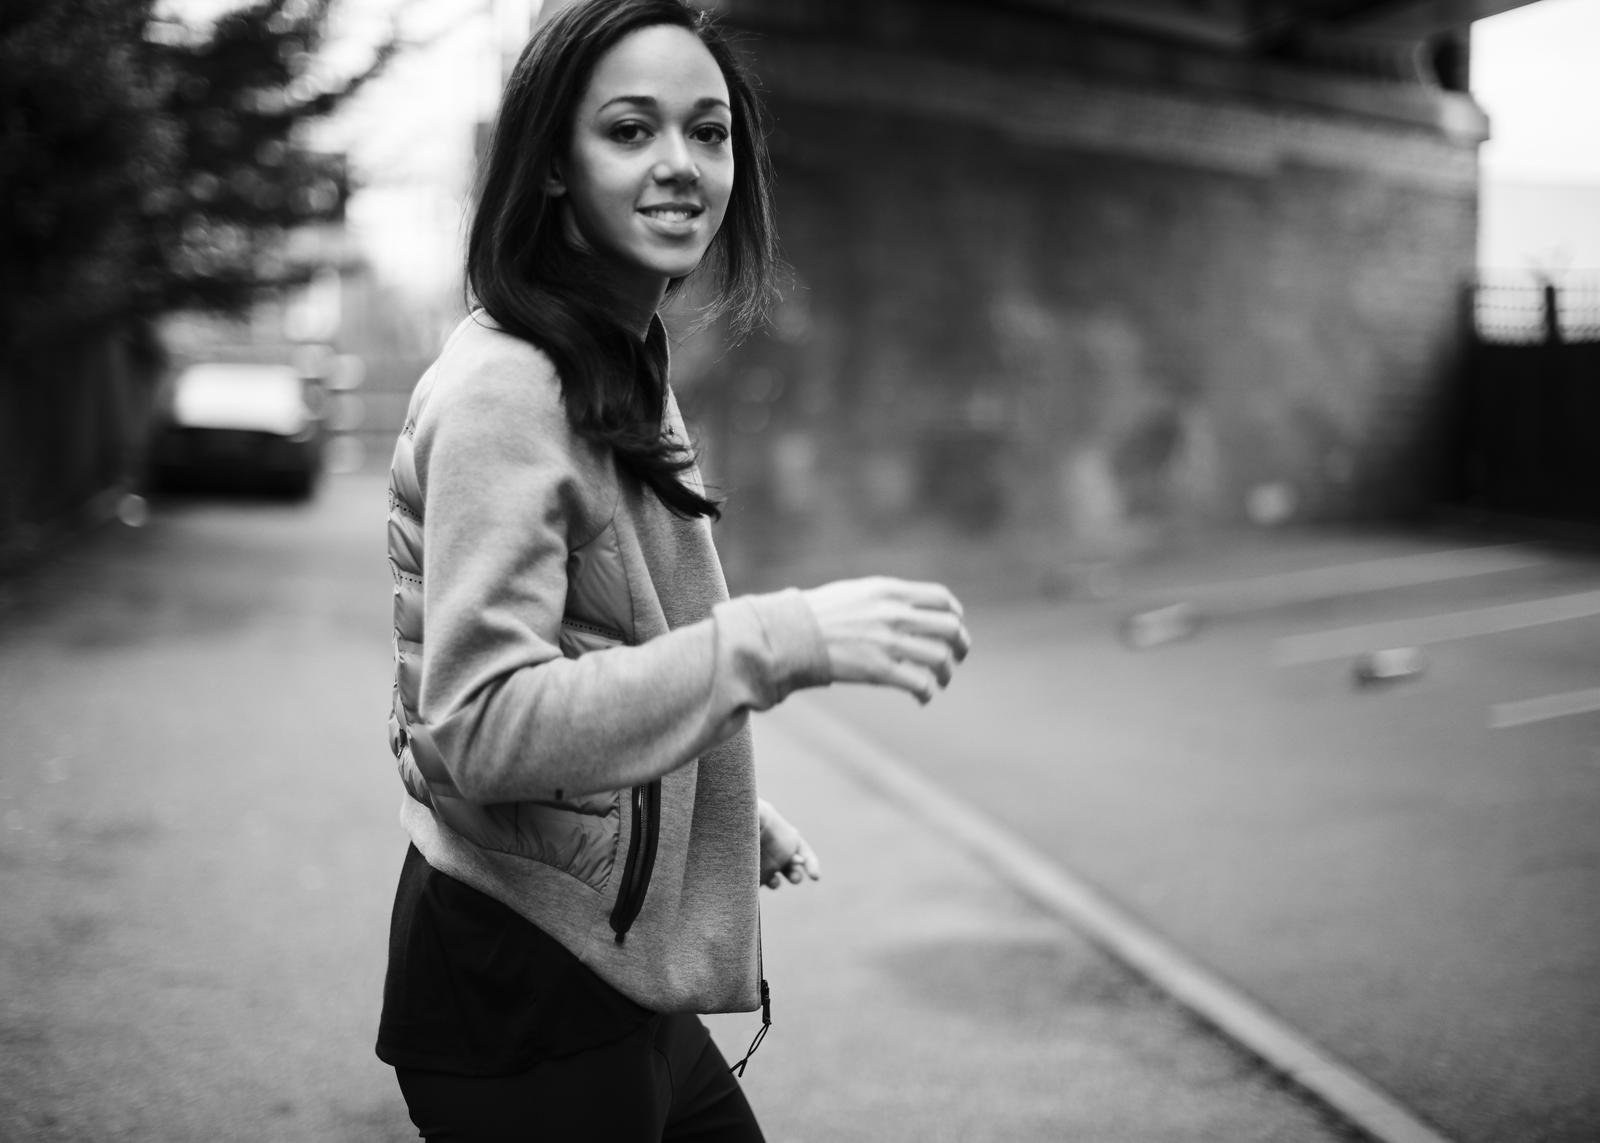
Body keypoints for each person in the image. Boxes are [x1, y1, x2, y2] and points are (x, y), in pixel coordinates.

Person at [375, 1, 971, 1139]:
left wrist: (710, 808)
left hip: (612, 961)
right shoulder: (510, 390)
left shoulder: (608, 353)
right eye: (630, 129)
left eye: (708, 132)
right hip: (524, 992)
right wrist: (780, 640)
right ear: (554, 163)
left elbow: (602, 639)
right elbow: (479, 724)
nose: (681, 165)